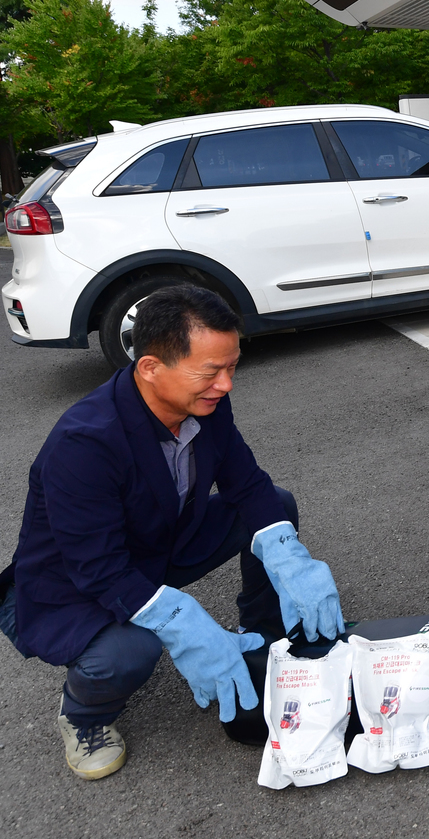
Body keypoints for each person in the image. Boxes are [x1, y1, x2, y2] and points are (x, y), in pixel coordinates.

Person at [0, 284, 343, 780]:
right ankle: (83, 715)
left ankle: (266, 636)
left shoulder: (203, 401)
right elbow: (98, 568)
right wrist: (183, 621)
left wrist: (290, 557)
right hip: (72, 584)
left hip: (157, 544)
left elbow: (247, 485)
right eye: (211, 371)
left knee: (274, 512)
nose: (225, 385)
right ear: (150, 368)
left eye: (232, 367)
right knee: (130, 652)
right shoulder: (85, 442)